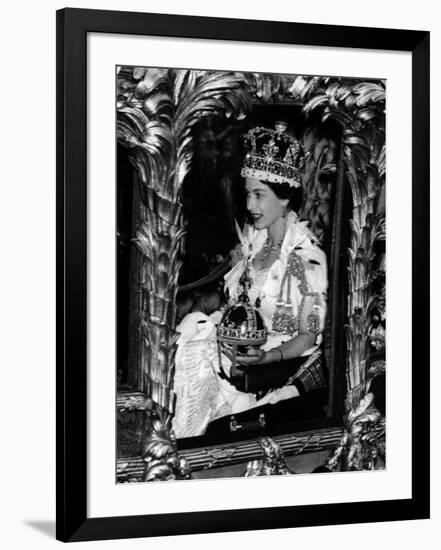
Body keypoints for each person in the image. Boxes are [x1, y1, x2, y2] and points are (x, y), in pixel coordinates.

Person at [172, 122, 328, 438]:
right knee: (191, 332)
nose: (249, 206)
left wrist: (265, 357)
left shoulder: (307, 258)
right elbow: (236, 304)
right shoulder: (252, 242)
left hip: (271, 373)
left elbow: (307, 338)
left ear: (285, 199)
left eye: (259, 195)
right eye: (247, 194)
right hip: (228, 355)